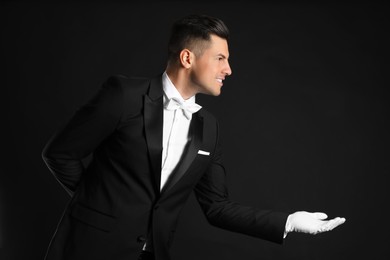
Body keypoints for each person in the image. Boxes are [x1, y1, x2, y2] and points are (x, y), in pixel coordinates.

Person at [42, 14, 345, 260]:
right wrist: (99, 205)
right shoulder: (124, 95)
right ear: (188, 58)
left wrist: (289, 221)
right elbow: (60, 154)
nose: (228, 69)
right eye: (220, 58)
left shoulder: (209, 128)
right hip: (88, 249)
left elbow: (216, 207)